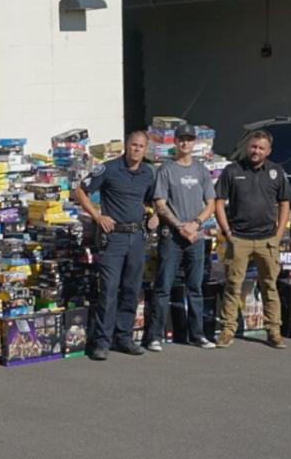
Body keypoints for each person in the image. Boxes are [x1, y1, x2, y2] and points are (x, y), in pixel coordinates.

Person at [74, 130, 159, 360]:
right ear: (126, 146)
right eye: (133, 145)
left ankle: (124, 337)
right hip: (114, 238)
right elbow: (80, 190)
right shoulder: (109, 169)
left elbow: (151, 201)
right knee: (109, 291)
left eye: (141, 146)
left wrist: (153, 214)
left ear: (145, 149)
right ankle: (102, 341)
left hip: (137, 237)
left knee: (131, 290)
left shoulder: (148, 174)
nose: (137, 149)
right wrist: (97, 216)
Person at [213, 130, 291, 349]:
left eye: (261, 148)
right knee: (232, 286)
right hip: (239, 239)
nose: (256, 151)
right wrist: (227, 232)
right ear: (248, 147)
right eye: (253, 146)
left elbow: (285, 202)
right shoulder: (232, 170)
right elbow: (218, 201)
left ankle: (273, 332)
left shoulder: (276, 171)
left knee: (269, 286)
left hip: (267, 240)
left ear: (268, 151)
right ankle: (228, 330)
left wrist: (278, 233)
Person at [145, 124, 217, 351]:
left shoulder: (202, 170)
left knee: (195, 287)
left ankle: (197, 334)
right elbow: (160, 203)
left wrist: (195, 224)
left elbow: (211, 203)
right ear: (175, 142)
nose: (185, 143)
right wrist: (179, 226)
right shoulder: (166, 170)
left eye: (189, 139)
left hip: (196, 237)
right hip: (172, 237)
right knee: (163, 286)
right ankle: (154, 336)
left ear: (194, 142)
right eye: (181, 139)